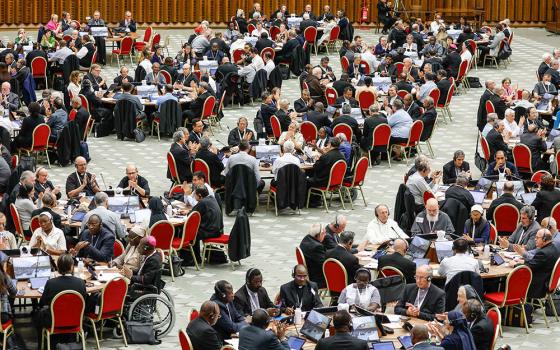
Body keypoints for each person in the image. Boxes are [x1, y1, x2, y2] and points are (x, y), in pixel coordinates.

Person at [33, 253, 87, 341]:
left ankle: (42, 343)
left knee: (36, 314)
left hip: (54, 321)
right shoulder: (81, 282)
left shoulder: (51, 283)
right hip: (76, 319)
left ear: (58, 267)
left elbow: (42, 303)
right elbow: (85, 303)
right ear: (72, 267)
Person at [516, 229, 560, 299]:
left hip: (536, 287)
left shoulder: (543, 253)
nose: (535, 239)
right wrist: (524, 262)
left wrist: (515, 265)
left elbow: (527, 268)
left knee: (507, 278)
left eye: (537, 237)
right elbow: (536, 264)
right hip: (544, 282)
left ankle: (509, 305)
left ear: (544, 239)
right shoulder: (553, 248)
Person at [299, 223, 327, 288]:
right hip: (317, 278)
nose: (325, 235)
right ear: (318, 235)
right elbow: (324, 265)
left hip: (309, 270)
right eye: (324, 233)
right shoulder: (317, 247)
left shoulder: (306, 238)